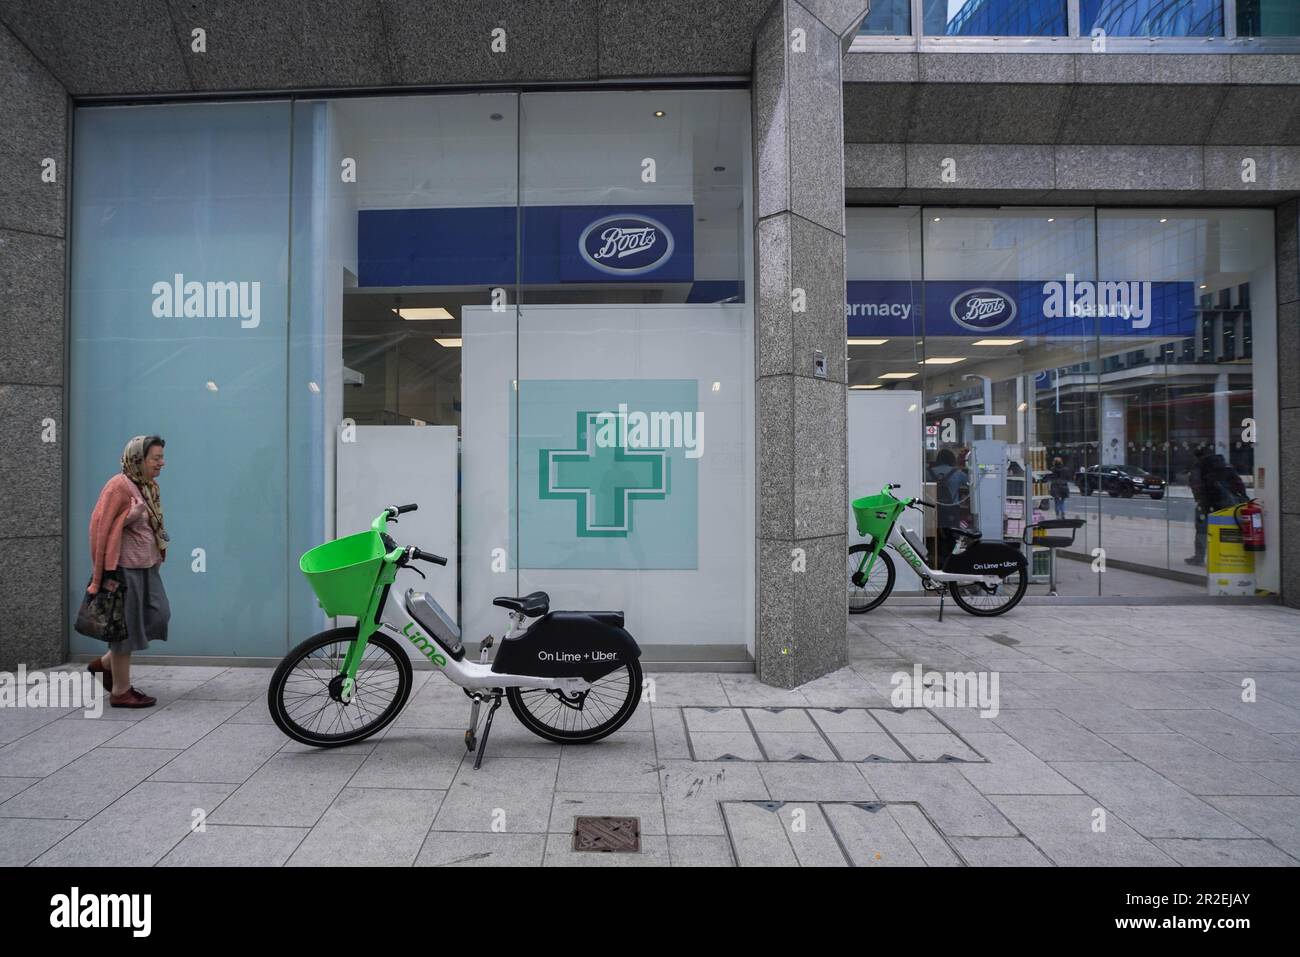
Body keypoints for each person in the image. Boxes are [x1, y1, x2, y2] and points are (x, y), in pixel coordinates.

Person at [85, 436, 171, 707]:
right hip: (122, 569)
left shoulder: (148, 486)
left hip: (147, 566)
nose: (161, 463)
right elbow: (99, 529)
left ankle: (106, 664)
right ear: (138, 459)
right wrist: (127, 519)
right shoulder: (118, 486)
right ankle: (121, 691)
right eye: (155, 458)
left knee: (159, 615)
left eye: (161, 457)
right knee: (124, 629)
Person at [928, 447, 969, 565]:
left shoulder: (928, 472)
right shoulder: (957, 473)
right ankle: (950, 563)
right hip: (951, 511)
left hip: (933, 510)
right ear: (952, 459)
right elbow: (969, 483)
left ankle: (936, 562)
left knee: (936, 537)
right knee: (951, 537)